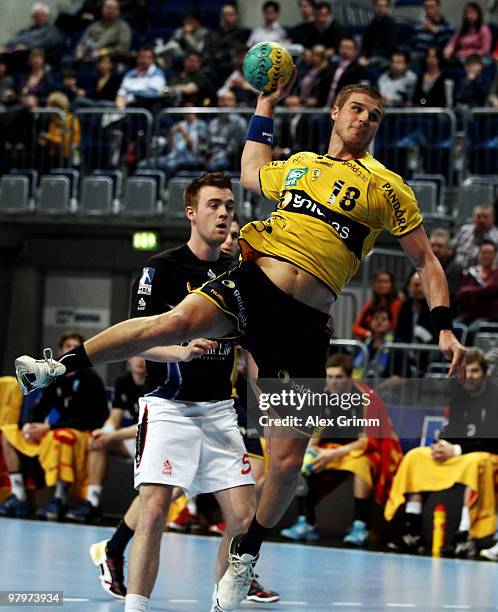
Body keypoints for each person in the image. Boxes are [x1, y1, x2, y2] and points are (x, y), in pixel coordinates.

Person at [15, 81, 465, 612]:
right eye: (358, 110)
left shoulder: (389, 189)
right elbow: (252, 169)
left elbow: (426, 262)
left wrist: (443, 325)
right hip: (253, 284)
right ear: (336, 112)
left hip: (305, 324)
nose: (366, 120)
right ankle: (57, 365)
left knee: (287, 459)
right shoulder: (298, 165)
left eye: (376, 115)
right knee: (173, 321)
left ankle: (246, 553)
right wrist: (266, 104)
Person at [80, 172, 276, 611]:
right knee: (154, 509)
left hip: (219, 411)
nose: (225, 212)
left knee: (244, 518)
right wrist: (181, 352)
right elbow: (139, 337)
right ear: (191, 213)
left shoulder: (239, 275)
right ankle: (136, 605)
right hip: (168, 407)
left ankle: (224, 603)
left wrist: (266, 399)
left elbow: (250, 347)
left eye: (230, 205)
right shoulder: (161, 270)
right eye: (214, 205)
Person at [281, 354, 402, 545]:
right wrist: (307, 452)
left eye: (338, 377)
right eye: (329, 376)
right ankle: (307, 522)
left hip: (361, 449)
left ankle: (360, 526)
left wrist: (333, 454)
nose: (332, 382)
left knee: (361, 466)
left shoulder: (366, 398)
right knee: (302, 461)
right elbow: (317, 430)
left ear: (350, 377)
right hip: (333, 448)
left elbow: (368, 441)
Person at [386, 350, 498, 556]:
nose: (470, 377)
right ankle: (412, 530)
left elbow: (493, 441)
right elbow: (451, 430)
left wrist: (455, 450)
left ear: (485, 373)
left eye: (475, 371)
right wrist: (441, 445)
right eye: (466, 371)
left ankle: (464, 535)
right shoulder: (459, 396)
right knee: (415, 457)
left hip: (486, 454)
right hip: (459, 454)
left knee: (475, 463)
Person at [1, 332, 108, 520]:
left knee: (60, 437)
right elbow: (40, 409)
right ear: (60, 351)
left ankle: (60, 498)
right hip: (53, 430)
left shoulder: (91, 379)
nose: (71, 350)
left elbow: (90, 418)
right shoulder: (54, 378)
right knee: (8, 433)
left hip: (81, 434)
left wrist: (48, 429)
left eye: (76, 347)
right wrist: (27, 425)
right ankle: (18, 496)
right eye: (68, 347)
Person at [66, 356, 146, 523]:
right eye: (139, 354)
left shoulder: (158, 381)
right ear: (129, 358)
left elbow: (149, 425)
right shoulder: (123, 381)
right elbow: (114, 417)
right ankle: (93, 502)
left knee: (105, 439)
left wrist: (113, 435)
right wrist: (105, 432)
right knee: (98, 443)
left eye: (147, 355)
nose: (141, 360)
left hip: (151, 442)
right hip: (128, 439)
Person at [352, 270, 402, 341]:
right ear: (374, 284)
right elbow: (355, 328)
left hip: (390, 342)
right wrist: (367, 333)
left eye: (386, 282)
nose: (382, 285)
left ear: (392, 285)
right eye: (379, 281)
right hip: (371, 341)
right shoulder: (370, 304)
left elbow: (394, 327)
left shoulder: (397, 304)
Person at [451, 204, 498, 270]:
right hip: (459, 272)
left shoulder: (496, 237)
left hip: (484, 275)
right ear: (473, 218)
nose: (482, 220)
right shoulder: (464, 230)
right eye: (478, 217)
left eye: (486, 217)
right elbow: (451, 249)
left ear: (493, 219)